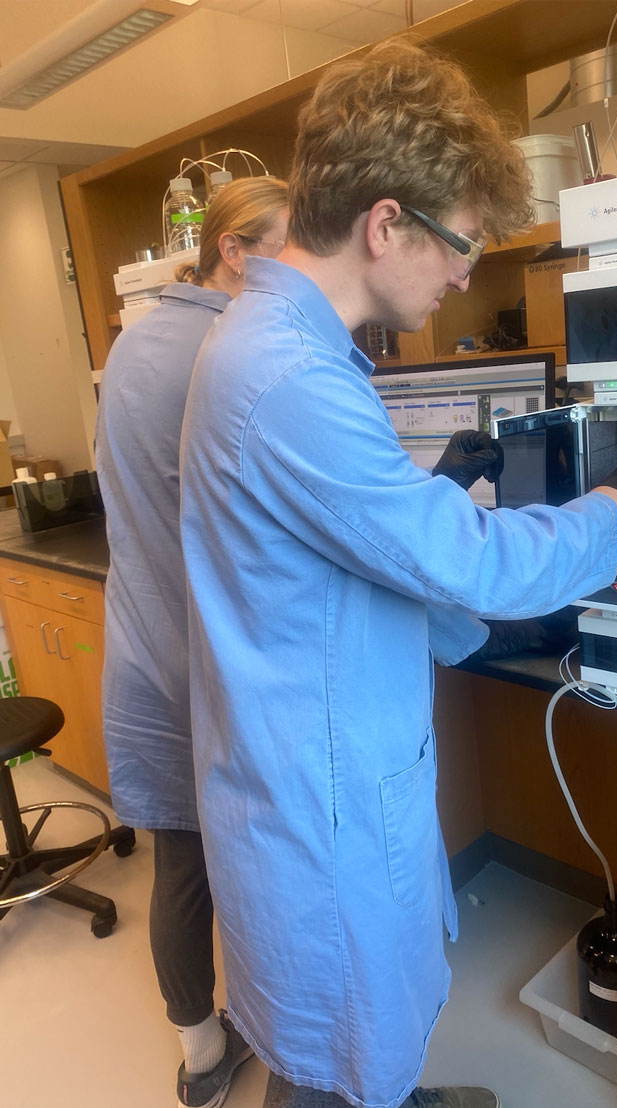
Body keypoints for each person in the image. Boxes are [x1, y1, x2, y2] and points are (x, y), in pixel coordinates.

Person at [178, 40, 617, 1108]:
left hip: (315, 766)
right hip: (316, 811)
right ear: (384, 224)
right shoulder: (288, 375)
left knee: (358, 1040)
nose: (464, 274)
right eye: (458, 245)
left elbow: (346, 555)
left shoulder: (283, 347)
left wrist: (442, 529)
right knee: (327, 1064)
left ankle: (394, 1094)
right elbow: (468, 562)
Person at [95, 174, 290, 1108]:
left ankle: (202, 1055)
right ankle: (275, 1052)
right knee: (240, 863)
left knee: (180, 864)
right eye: (287, 253)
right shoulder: (218, 349)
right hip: (200, 655)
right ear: (234, 250)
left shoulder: (136, 341)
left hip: (141, 638)